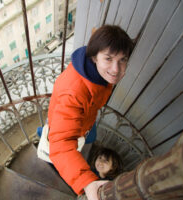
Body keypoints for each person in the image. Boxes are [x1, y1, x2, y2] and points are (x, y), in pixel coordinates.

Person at [47, 25, 134, 200]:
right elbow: (61, 144)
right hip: (73, 127)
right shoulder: (73, 93)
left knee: (89, 139)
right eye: (108, 59)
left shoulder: (97, 75)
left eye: (122, 60)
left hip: (86, 122)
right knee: (55, 140)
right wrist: (86, 181)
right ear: (94, 57)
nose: (116, 69)